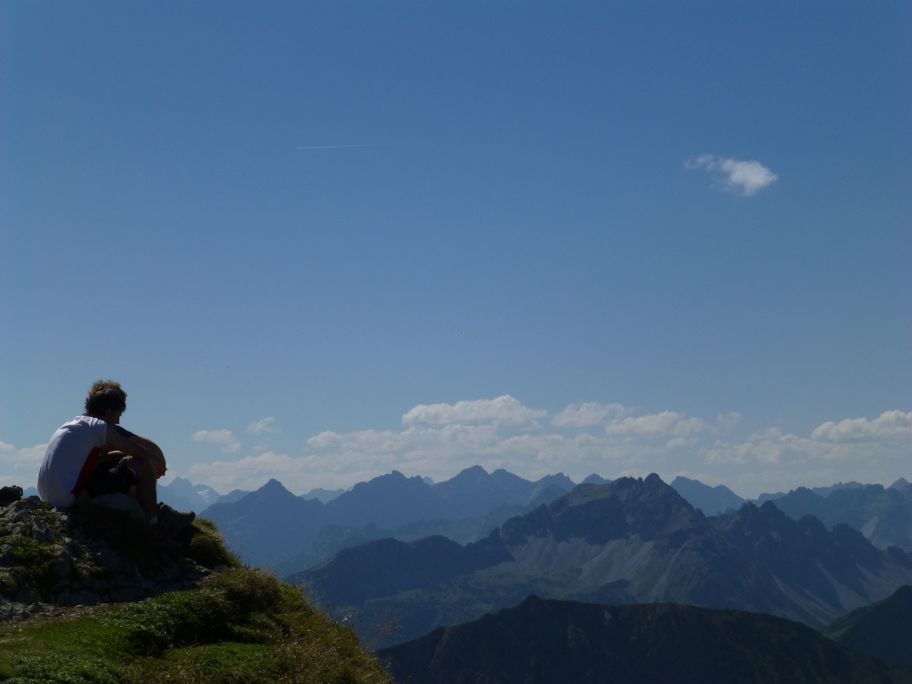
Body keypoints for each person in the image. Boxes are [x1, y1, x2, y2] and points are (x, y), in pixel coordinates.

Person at [37, 380, 194, 533]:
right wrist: (150, 462)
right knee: (141, 464)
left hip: (48, 496)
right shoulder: (99, 426)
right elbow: (141, 452)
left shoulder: (72, 424)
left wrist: (117, 455)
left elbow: (92, 462)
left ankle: (155, 512)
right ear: (108, 412)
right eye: (118, 415)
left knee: (121, 467)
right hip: (68, 497)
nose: (118, 421)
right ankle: (154, 525)